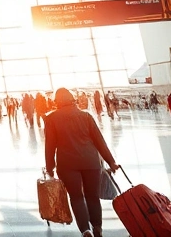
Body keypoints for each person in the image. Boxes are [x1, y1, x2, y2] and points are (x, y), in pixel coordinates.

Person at [45, 88, 119, 237]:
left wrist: (50, 167)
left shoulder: (51, 118)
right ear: (73, 99)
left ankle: (85, 230)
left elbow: (50, 145)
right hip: (91, 162)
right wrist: (111, 162)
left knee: (76, 197)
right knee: (93, 196)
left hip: (67, 164)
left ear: (56, 101)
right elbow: (100, 142)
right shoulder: (85, 116)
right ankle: (97, 227)